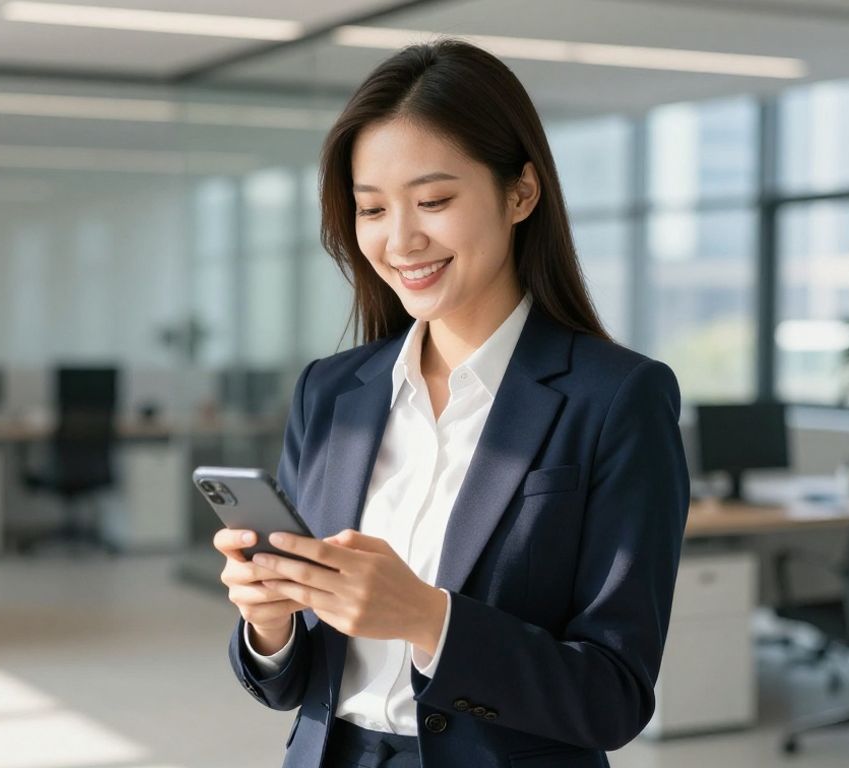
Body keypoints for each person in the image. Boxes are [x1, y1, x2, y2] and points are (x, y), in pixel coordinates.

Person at [214, 38, 690, 768]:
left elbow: (613, 695)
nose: (400, 239)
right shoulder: (332, 391)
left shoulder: (617, 398)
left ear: (521, 193)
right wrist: (268, 625)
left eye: (433, 201)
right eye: (371, 209)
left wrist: (428, 619)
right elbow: (297, 686)